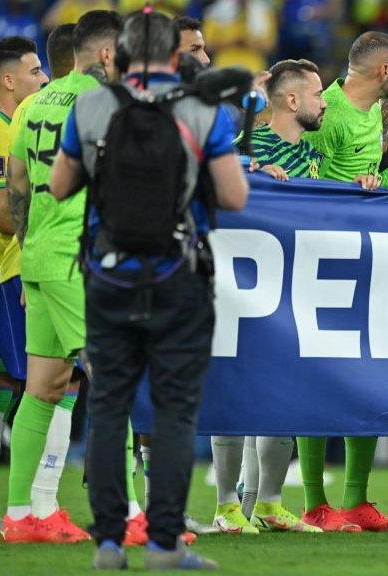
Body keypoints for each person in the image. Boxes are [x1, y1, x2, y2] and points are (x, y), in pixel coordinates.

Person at [49, 10, 249, 569]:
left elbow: (60, 185)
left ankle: (109, 542)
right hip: (178, 275)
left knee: (109, 406)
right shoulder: (202, 109)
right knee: (175, 411)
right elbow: (234, 197)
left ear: (118, 53)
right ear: (173, 55)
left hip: (108, 274)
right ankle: (164, 542)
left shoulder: (90, 106)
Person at [1, 9, 122, 545]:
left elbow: (19, 182)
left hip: (39, 258)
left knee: (43, 388)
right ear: (106, 53)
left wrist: (32, 256)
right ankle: (128, 515)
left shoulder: (35, 103)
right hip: (80, 258)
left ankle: (21, 515)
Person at [293, 31, 388, 533]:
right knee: (319, 380)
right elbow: (302, 185)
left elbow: (378, 173)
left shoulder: (380, 112)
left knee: (369, 377)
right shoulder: (329, 114)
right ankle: (317, 502)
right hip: (319, 260)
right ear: (384, 69)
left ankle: (357, 500)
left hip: (363, 259)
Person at [210, 59, 328, 535]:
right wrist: (249, 168)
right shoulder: (247, 148)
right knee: (234, 393)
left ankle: (271, 504)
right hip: (238, 287)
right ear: (293, 100)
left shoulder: (314, 157)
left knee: (283, 393)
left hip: (292, 291)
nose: (324, 103)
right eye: (318, 94)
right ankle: (225, 505)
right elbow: (211, 180)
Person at [0, 35, 48, 537]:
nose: (42, 79)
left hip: (0, 266)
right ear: (8, 80)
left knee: (3, 378)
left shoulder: (18, 125)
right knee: (11, 378)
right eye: (34, 70)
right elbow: (4, 217)